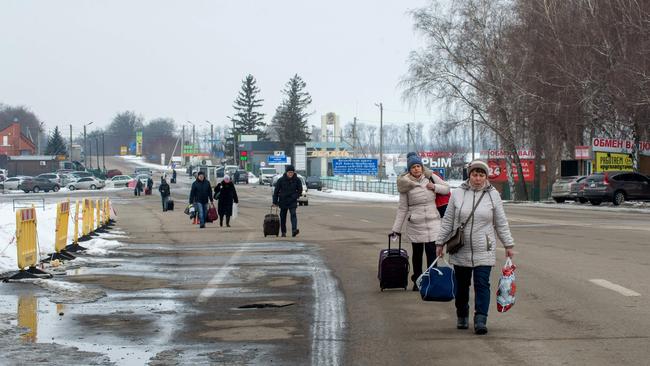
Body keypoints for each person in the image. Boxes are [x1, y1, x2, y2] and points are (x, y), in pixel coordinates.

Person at [436, 160, 515, 335]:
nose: (477, 178)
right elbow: (448, 220)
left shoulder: (493, 195)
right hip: (460, 247)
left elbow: (501, 223)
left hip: (484, 248)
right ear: (469, 175)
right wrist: (440, 242)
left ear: (486, 177)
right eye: (474, 174)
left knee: (481, 284)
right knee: (462, 286)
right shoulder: (457, 194)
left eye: (481, 175)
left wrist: (508, 244)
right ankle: (462, 315)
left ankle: (480, 319)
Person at [392, 154, 450, 291]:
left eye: (418, 166)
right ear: (409, 169)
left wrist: (434, 187)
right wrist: (396, 229)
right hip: (415, 223)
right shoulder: (405, 184)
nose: (417, 169)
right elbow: (402, 209)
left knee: (432, 252)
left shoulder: (430, 177)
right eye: (413, 167)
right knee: (417, 254)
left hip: (433, 221)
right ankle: (417, 280)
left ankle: (431, 280)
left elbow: (447, 188)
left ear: (422, 167)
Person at [272, 165, 302, 237]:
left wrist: (295, 196)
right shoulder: (281, 180)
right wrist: (274, 202)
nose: (290, 174)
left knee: (293, 214)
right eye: (289, 172)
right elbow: (276, 192)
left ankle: (294, 230)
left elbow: (300, 190)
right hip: (283, 201)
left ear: (293, 172)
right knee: (283, 217)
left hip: (292, 201)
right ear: (286, 172)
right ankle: (283, 232)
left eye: (291, 172)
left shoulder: (297, 180)